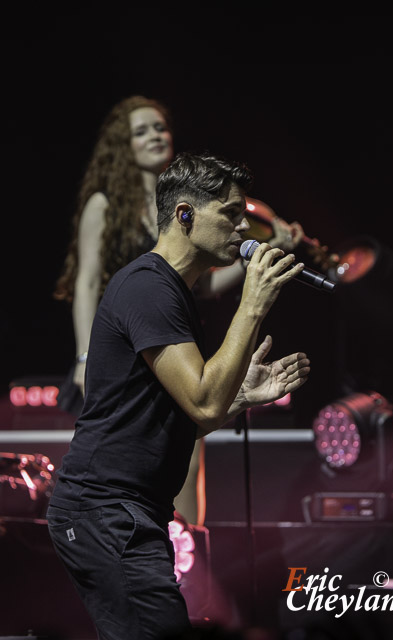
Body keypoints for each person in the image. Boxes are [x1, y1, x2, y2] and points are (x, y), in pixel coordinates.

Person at [46, 152, 311, 640]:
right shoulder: (148, 289)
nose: (243, 230)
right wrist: (251, 306)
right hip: (106, 509)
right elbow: (203, 402)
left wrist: (240, 399)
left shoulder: (172, 293)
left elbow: (186, 419)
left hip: (131, 511)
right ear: (184, 214)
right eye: (230, 215)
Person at [54, 95, 305, 525]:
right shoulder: (109, 206)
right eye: (142, 130)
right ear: (122, 145)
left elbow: (205, 280)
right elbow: (87, 281)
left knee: (182, 446)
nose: (156, 135)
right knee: (154, 437)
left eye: (160, 127)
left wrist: (264, 256)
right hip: (129, 333)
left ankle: (188, 548)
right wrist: (83, 355)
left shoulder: (195, 204)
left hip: (172, 324)